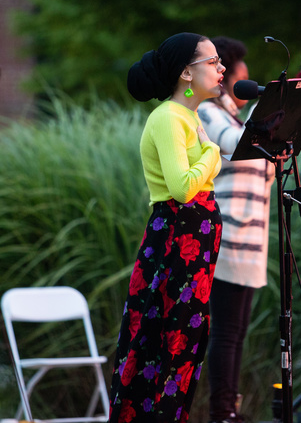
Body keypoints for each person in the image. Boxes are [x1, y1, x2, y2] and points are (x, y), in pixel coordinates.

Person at [109, 32, 225, 423]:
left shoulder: (188, 116)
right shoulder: (169, 118)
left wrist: (208, 152)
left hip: (193, 239)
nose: (221, 68)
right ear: (187, 73)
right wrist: (212, 152)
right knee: (167, 342)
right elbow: (182, 188)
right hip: (177, 237)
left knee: (186, 344)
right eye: (212, 62)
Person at [197, 36, 275, 423]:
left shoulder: (235, 117)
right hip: (228, 239)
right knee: (226, 332)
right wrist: (270, 107)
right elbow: (236, 144)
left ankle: (230, 408)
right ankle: (222, 412)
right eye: (240, 77)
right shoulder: (210, 113)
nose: (244, 82)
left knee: (237, 331)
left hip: (251, 242)